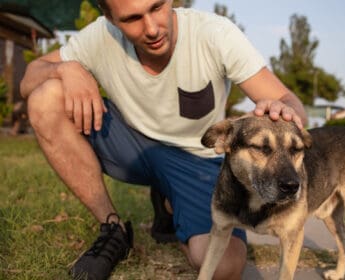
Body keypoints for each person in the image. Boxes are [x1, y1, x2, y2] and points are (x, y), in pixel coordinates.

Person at [20, 0, 308, 279]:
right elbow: (29, 78)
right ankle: (113, 230)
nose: (152, 28)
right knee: (45, 99)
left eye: (157, 7)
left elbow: (286, 98)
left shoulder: (215, 34)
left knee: (224, 267)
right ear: (111, 20)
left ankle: (170, 204)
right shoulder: (99, 35)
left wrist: (287, 111)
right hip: (129, 143)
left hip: (196, 161)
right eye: (132, 19)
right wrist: (64, 68)